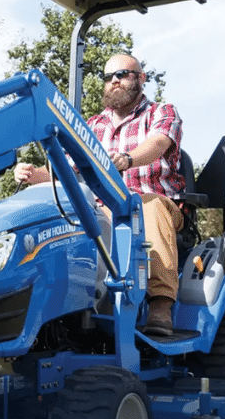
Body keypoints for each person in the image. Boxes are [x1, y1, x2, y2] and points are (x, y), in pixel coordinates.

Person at [14, 53, 184, 337]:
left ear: (140, 78)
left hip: (153, 202)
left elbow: (157, 144)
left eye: (123, 74)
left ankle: (160, 304)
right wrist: (34, 174)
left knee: (144, 207)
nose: (114, 81)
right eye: (108, 77)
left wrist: (127, 159)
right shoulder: (91, 125)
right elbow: (63, 168)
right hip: (102, 209)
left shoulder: (161, 113)